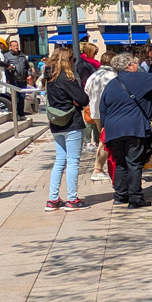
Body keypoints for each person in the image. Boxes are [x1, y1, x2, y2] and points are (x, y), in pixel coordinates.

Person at [100, 52, 152, 208]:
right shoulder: (137, 78)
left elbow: (102, 108)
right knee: (134, 163)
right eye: (135, 63)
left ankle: (120, 195)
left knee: (120, 163)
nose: (137, 65)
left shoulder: (111, 84)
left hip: (113, 129)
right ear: (128, 65)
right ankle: (135, 198)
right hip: (133, 127)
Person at [43, 48, 89, 211]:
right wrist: (76, 101)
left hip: (56, 122)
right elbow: (83, 99)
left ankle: (53, 198)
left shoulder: (49, 78)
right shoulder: (67, 78)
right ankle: (72, 199)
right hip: (72, 123)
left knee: (60, 160)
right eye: (72, 60)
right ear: (66, 60)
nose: (73, 62)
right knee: (73, 161)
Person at [84, 53, 117, 182]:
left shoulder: (93, 76)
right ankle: (97, 169)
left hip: (95, 111)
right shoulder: (113, 77)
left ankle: (102, 168)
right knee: (105, 140)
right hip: (109, 112)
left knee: (103, 139)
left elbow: (86, 91)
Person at [4, 39, 35, 118]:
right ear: (10, 47)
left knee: (22, 97)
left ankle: (21, 114)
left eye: (17, 45)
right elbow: (4, 67)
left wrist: (29, 74)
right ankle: (15, 114)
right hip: (13, 79)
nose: (16, 47)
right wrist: (7, 77)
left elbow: (27, 67)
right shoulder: (7, 56)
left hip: (23, 80)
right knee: (15, 97)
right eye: (14, 46)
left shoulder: (22, 55)